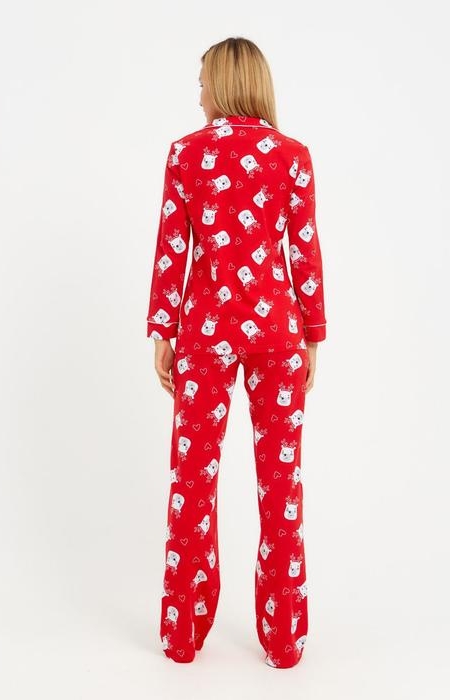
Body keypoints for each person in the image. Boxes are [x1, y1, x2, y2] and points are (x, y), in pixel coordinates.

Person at [145, 36, 327, 668]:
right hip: (277, 331)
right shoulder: (293, 156)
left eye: (202, 82)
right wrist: (311, 335)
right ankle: (284, 640)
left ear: (224, 84)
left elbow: (173, 247)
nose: (198, 94)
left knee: (191, 482)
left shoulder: (185, 154)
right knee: (282, 486)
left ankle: (182, 635)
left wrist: (163, 329)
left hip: (204, 330)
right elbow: (304, 252)